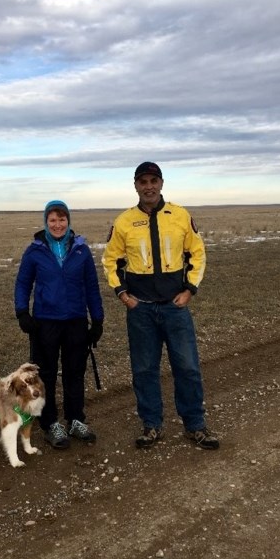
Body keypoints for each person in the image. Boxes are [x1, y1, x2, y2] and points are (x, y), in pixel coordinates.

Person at [101, 162, 220, 450]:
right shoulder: (123, 222)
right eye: (143, 181)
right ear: (136, 186)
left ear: (162, 183)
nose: (149, 186)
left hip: (174, 308)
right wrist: (122, 295)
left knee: (188, 367)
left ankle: (195, 425)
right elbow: (110, 261)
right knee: (144, 370)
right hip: (140, 310)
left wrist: (190, 289)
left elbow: (198, 254)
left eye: (153, 180)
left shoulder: (180, 216)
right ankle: (151, 425)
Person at [14, 200, 105, 449]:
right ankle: (50, 423)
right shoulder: (34, 251)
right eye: (52, 220)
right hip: (45, 323)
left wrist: (97, 319)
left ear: (69, 221)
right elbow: (23, 283)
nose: (57, 224)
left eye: (62, 219)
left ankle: (76, 420)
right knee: (46, 376)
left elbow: (92, 287)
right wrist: (22, 312)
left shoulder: (81, 250)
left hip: (75, 321)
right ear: (46, 222)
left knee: (75, 372)